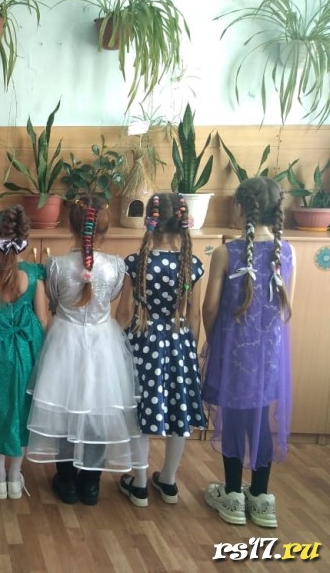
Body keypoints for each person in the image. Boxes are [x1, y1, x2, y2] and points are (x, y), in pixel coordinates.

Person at [26, 196, 141, 506]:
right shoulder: (116, 266)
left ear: (71, 226)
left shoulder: (56, 265)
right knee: (98, 411)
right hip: (103, 344)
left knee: (65, 410)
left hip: (64, 342)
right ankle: (91, 484)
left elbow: (53, 301)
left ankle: (66, 482)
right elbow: (116, 305)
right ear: (104, 227)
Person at [202, 177, 294, 528]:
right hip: (269, 357)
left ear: (240, 209)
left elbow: (210, 307)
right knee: (261, 422)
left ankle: (232, 496)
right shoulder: (288, 252)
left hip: (234, 353)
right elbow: (286, 309)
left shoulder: (226, 252)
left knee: (234, 420)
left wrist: (215, 340)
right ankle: (260, 498)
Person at [115, 193, 205, 507]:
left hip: (143, 344)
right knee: (179, 413)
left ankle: (139, 484)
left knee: (142, 412)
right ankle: (168, 481)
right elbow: (194, 315)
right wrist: (190, 352)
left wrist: (116, 345)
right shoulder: (191, 265)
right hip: (180, 345)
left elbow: (123, 313)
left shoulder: (136, 262)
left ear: (149, 222)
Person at [0, 205, 48, 500]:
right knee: (22, 409)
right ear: (25, 239)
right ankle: (15, 477)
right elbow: (43, 320)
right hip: (26, 353)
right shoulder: (34, 274)